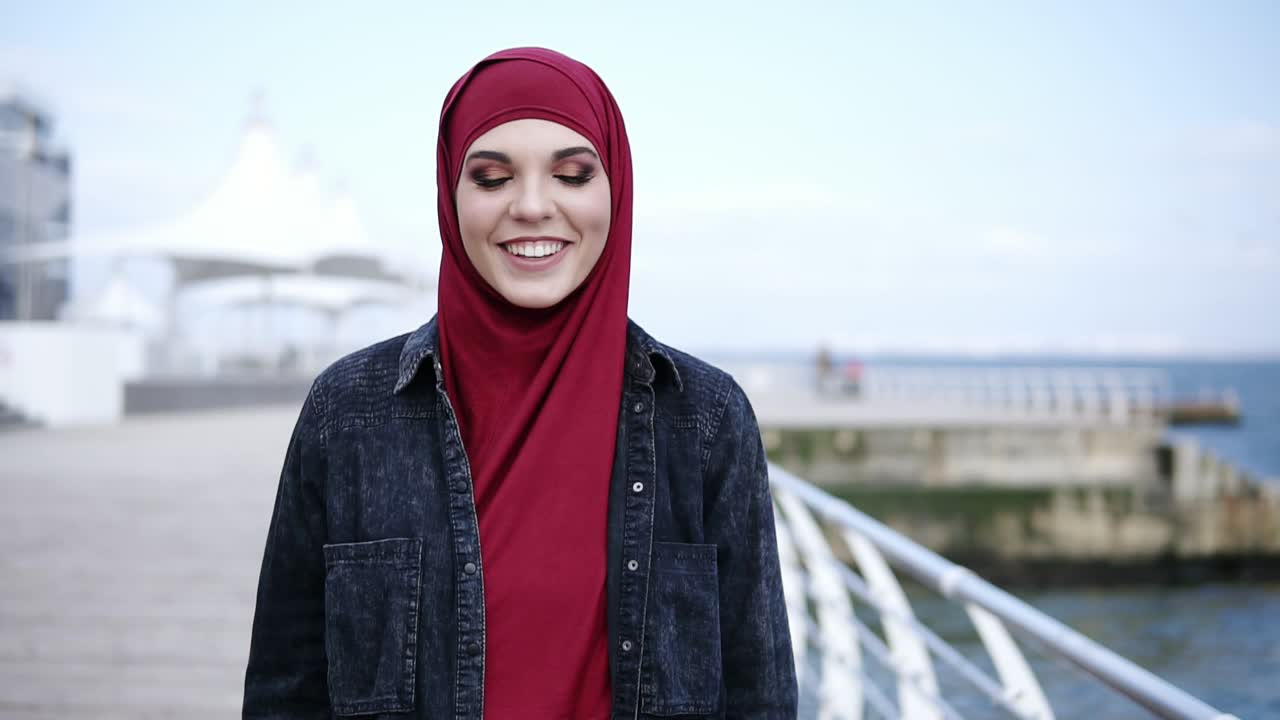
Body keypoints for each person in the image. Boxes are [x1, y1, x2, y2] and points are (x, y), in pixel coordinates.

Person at [242, 47, 797, 720]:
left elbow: (759, 696)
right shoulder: (346, 413)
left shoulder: (705, 420)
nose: (532, 206)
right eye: (492, 178)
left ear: (616, 189)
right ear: (450, 196)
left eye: (572, 175)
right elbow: (285, 692)